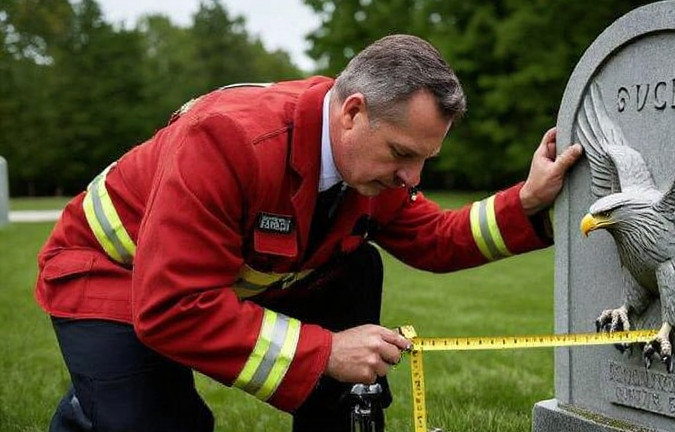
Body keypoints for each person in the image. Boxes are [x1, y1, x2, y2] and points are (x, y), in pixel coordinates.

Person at [35, 34, 582, 431]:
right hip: (109, 278)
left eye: (425, 160)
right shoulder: (224, 138)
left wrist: (528, 200)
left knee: (357, 267)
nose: (412, 179)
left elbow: (436, 237)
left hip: (205, 285)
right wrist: (323, 352)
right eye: (402, 155)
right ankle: (93, 407)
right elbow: (173, 306)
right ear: (352, 112)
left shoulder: (368, 164)